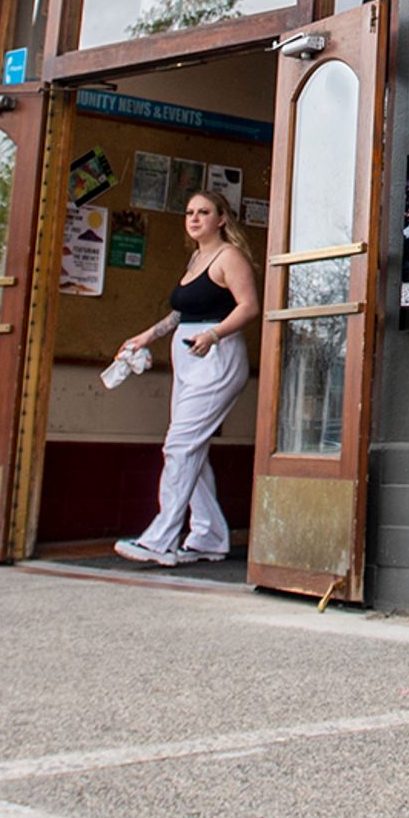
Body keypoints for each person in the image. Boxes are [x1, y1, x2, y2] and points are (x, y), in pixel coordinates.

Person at [112, 186, 259, 564]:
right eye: (190, 212)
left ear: (221, 219)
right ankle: (208, 536)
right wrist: (149, 334)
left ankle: (160, 539)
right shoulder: (196, 259)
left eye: (204, 212)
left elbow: (248, 306)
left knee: (178, 445)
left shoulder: (230, 257)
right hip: (186, 357)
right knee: (190, 446)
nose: (194, 218)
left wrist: (213, 334)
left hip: (216, 356)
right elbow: (181, 312)